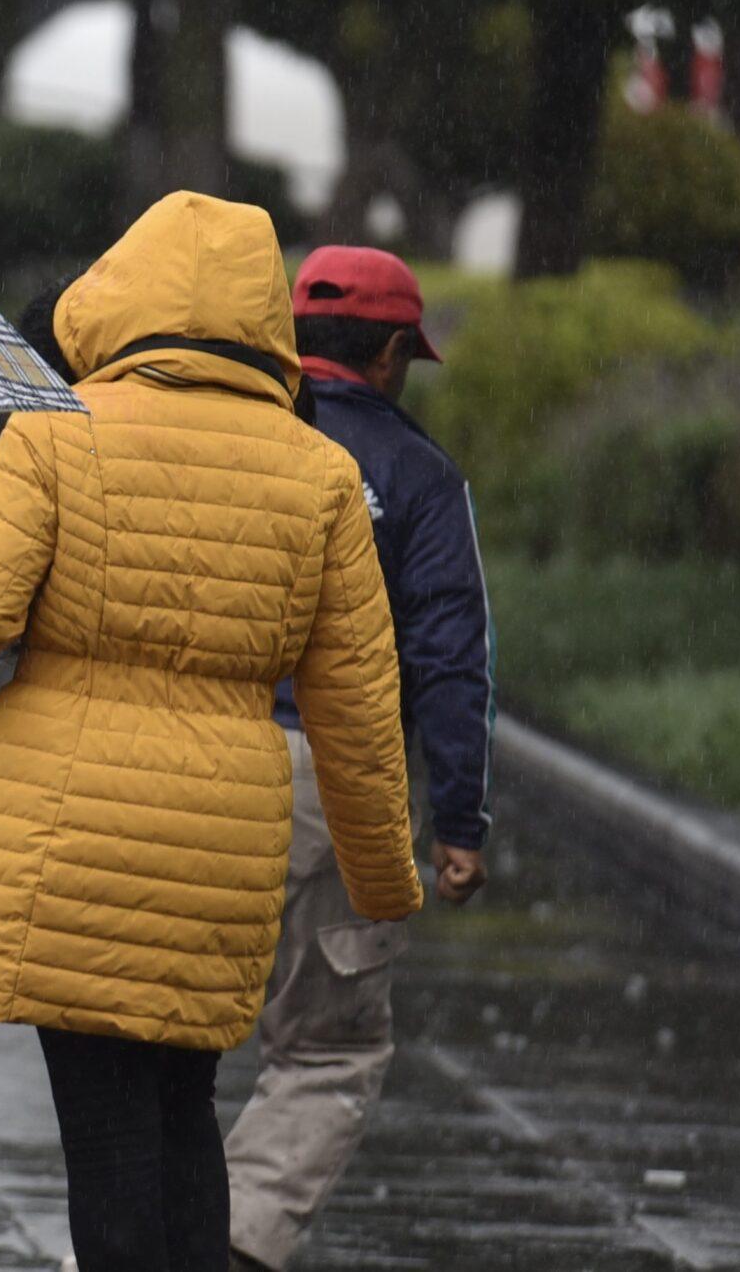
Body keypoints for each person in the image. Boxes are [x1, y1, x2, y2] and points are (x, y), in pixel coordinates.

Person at [0, 193, 425, 1272]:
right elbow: (358, 705)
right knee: (184, 1107)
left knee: (104, 1132)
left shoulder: (58, 428)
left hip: (71, 831)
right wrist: (381, 876)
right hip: (222, 839)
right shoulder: (319, 472)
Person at [222, 246, 493, 1270]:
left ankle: (114, 1249)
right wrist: (459, 822)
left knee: (157, 1038)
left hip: (203, 759)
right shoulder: (422, 477)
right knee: (327, 1045)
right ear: (388, 356)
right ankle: (236, 1243)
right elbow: (451, 658)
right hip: (340, 779)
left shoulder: (232, 439)